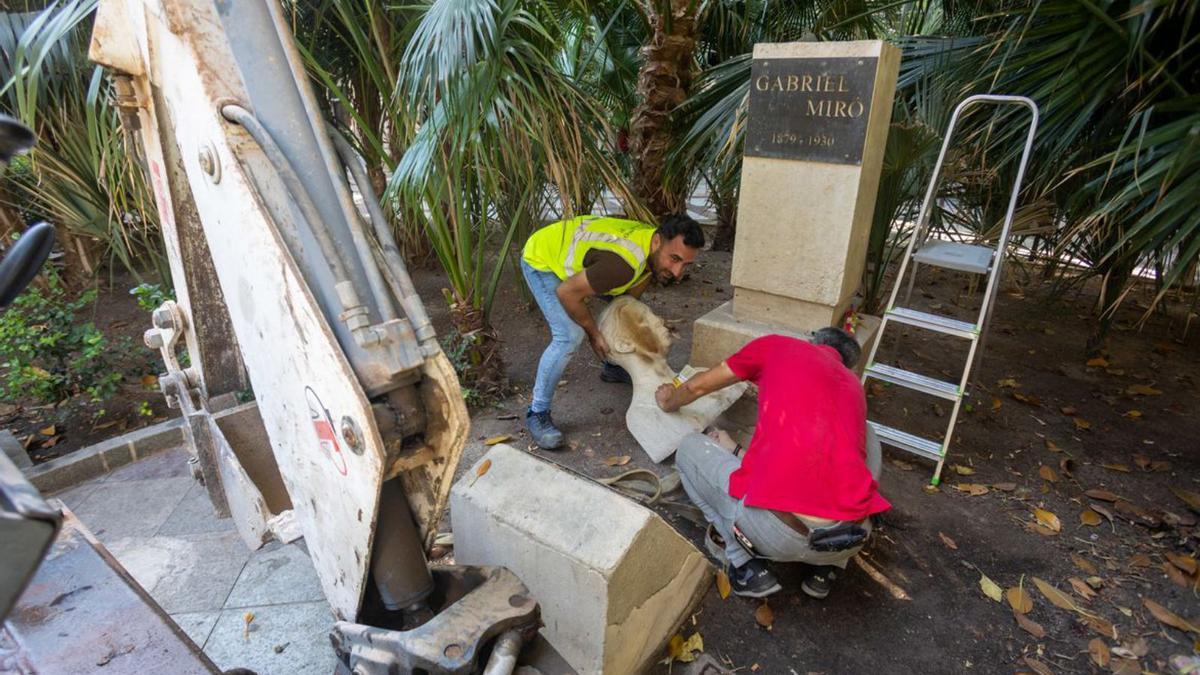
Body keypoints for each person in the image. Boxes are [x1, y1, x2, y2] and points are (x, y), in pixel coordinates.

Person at [655, 329, 889, 599]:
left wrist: (669, 399)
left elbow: (698, 386)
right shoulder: (853, 385)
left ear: (813, 341)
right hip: (849, 538)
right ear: (848, 364)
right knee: (867, 435)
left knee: (687, 450)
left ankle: (745, 566)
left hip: (777, 535)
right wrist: (735, 449)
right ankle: (825, 569)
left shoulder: (777, 346)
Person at [521, 213, 704, 450]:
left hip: (574, 251)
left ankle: (613, 366)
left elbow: (625, 303)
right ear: (657, 242)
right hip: (541, 258)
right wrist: (594, 333)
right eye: (674, 259)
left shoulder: (650, 251)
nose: (678, 272)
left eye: (685, 264)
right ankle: (537, 412)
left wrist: (621, 331)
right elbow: (567, 293)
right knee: (569, 336)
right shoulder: (622, 265)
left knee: (626, 308)